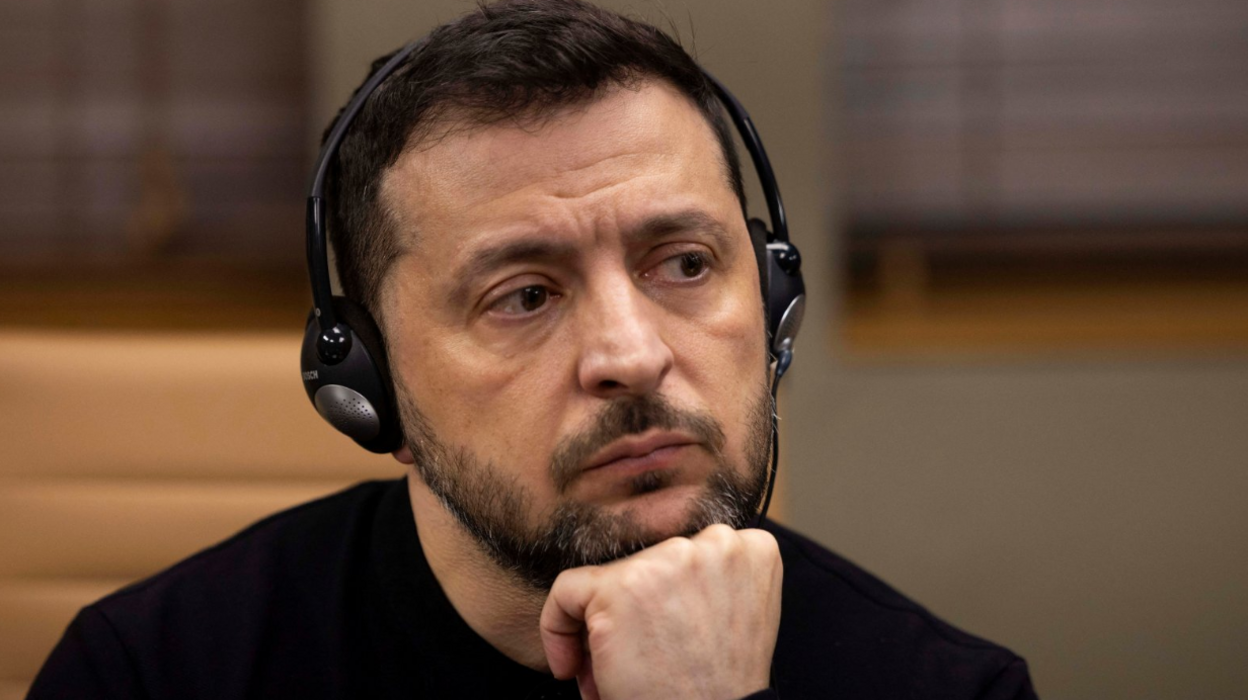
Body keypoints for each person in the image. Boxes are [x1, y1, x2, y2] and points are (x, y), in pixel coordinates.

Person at [28, 1, 1037, 698]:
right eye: (524, 295)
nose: (632, 355)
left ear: (773, 307)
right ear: (369, 389)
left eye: (684, 263)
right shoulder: (152, 674)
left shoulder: (940, 685)